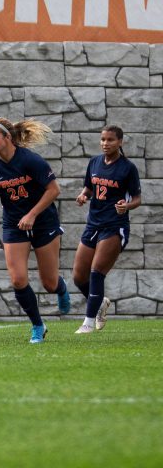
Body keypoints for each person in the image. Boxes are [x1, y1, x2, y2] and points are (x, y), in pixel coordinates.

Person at [0, 117, 71, 344]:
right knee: (18, 280)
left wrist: (32, 214)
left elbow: (53, 190)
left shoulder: (31, 161)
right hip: (14, 225)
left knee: (49, 283)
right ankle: (38, 326)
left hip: (43, 223)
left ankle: (61, 288)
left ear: (7, 138)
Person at [72, 125, 141, 334]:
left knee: (96, 273)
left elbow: (137, 199)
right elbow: (90, 187)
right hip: (93, 224)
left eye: (110, 140)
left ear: (120, 142)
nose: (105, 143)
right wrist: (84, 195)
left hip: (114, 226)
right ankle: (101, 303)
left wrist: (126, 206)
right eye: (102, 139)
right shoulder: (94, 162)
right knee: (78, 277)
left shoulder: (128, 168)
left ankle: (88, 323)